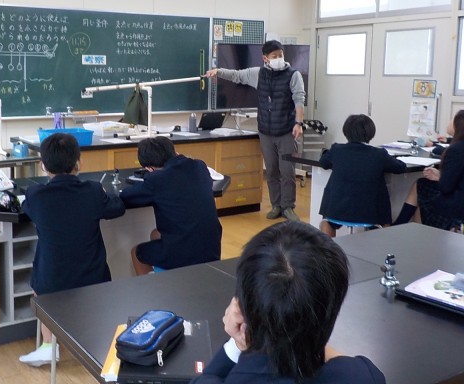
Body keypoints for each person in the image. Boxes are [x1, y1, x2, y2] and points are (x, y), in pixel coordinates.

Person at [191, 220, 386, 384]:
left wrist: (238, 343)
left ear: (243, 307)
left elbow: (209, 376)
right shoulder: (363, 376)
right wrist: (306, 338)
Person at [19, 132, 125, 367]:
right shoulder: (93, 191)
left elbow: (27, 208)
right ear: (79, 162)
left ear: (43, 165)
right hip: (93, 277)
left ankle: (49, 346)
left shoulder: (36, 195)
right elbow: (116, 208)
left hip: (52, 281)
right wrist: (108, 194)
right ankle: (99, 342)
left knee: (39, 289)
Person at [204, 40, 305, 221]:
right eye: (274, 56)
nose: (279, 58)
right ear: (265, 58)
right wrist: (218, 71)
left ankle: (288, 207)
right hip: (265, 131)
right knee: (271, 170)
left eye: (280, 55)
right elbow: (236, 75)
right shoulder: (258, 74)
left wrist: (299, 123)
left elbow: (299, 99)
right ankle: (276, 205)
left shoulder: (293, 75)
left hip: (286, 131)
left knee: (287, 171)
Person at [120, 136, 222, 275]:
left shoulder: (157, 179)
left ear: (149, 168)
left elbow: (126, 196)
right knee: (155, 234)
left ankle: (153, 286)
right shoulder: (199, 166)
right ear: (173, 151)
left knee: (137, 253)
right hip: (212, 247)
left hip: (185, 252)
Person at [318, 114, 406, 237]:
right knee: (383, 210)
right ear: (371, 133)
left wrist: (326, 152)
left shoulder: (337, 149)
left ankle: (327, 247)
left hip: (336, 212)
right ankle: (384, 243)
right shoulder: (379, 154)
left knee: (327, 221)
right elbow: (400, 167)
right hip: (370, 214)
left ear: (346, 132)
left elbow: (324, 162)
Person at [394, 110, 464, 230]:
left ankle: (398, 226)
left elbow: (446, 187)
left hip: (456, 206)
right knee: (421, 197)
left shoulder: (456, 150)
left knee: (420, 185)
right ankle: (414, 231)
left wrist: (440, 176)